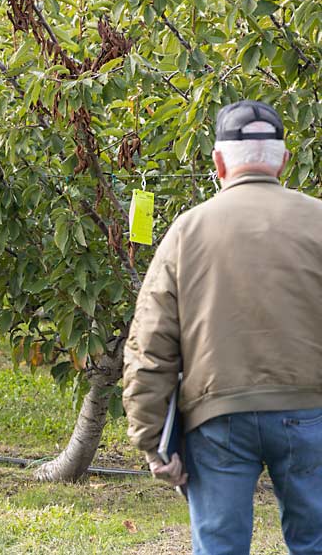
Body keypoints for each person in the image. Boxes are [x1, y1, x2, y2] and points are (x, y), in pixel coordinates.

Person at [123, 99, 322, 554]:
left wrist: (153, 439)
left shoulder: (187, 232)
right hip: (311, 412)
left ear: (217, 162)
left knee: (219, 547)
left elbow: (150, 346)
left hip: (217, 418)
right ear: (285, 161)